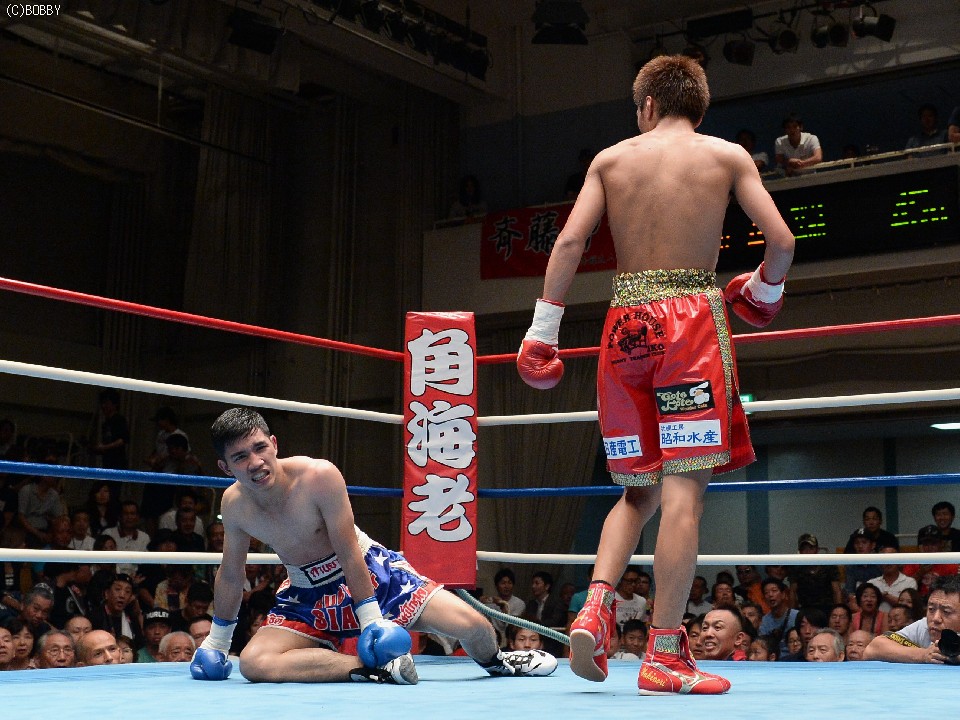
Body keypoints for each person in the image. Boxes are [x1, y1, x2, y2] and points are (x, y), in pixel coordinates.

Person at [520, 54, 794, 696]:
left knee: (635, 491)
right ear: (698, 105)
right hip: (692, 324)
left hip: (625, 326)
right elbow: (781, 241)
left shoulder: (611, 160)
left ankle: (595, 606)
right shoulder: (726, 156)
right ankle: (664, 653)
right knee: (683, 495)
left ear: (646, 105)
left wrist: (542, 332)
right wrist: (764, 291)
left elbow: (568, 244)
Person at [189, 407, 556, 685]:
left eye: (259, 448)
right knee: (254, 663)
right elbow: (231, 574)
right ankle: (368, 668)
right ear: (225, 467)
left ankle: (497, 662)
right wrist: (218, 642)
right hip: (306, 594)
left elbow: (348, 551)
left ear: (274, 444)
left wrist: (371, 620)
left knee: (474, 627)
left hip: (371, 575)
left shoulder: (318, 476)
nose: (255, 463)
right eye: (240, 457)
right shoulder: (234, 505)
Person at [864, 575, 960, 664]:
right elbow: (872, 648)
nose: (935, 618)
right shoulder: (924, 626)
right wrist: (923, 654)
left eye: (946, 611)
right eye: (931, 609)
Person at [903, 525, 959, 597]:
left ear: (941, 544)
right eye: (926, 544)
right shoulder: (913, 562)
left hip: (942, 599)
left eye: (933, 544)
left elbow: (954, 592)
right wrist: (920, 573)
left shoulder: (950, 563)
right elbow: (905, 589)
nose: (929, 548)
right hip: (918, 600)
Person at [867, 546, 917, 612]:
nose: (888, 563)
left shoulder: (910, 582)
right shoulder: (872, 583)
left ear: (899, 561)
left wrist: (885, 596)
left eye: (891, 558)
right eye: (885, 559)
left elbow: (908, 607)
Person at [90, 389, 129, 470]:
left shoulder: (119, 420)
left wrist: (104, 447)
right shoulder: (105, 423)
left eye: (106, 403)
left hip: (118, 463)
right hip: (107, 462)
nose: (103, 406)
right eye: (102, 403)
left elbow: (122, 440)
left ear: (115, 404)